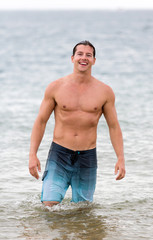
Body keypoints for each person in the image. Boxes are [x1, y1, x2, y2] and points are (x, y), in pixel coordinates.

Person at [29, 40, 125, 207]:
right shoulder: (55, 87)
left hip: (87, 157)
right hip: (59, 154)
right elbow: (41, 121)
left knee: (83, 211)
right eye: (80, 54)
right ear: (72, 58)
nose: (84, 58)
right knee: (49, 206)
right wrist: (32, 154)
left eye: (89, 55)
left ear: (94, 60)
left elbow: (114, 126)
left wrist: (121, 158)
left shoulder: (105, 91)